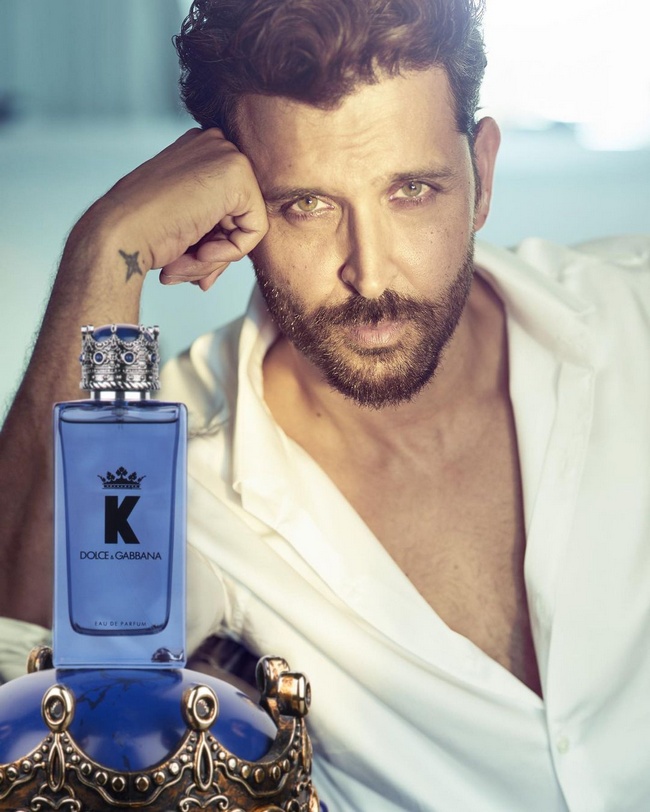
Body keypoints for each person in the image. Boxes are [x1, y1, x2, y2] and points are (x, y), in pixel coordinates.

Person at [0, 0, 648, 808]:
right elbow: (24, 693)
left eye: (413, 190)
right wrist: (103, 254)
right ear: (234, 202)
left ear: (482, 175)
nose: (369, 274)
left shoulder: (634, 318)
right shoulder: (175, 472)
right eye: (307, 205)